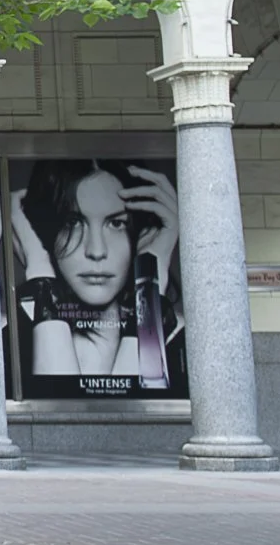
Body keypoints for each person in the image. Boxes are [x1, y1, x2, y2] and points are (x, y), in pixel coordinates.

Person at [12, 160, 182, 385]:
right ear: (46, 232)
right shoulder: (7, 341)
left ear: (143, 233)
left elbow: (137, 410)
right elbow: (61, 412)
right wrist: (40, 270)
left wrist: (150, 272)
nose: (96, 251)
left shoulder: (184, 341)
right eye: (72, 223)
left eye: (116, 224)